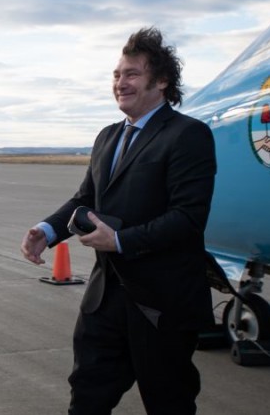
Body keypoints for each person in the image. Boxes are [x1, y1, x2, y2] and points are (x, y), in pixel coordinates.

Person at [20, 27, 216, 415]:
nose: (120, 83)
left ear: (161, 81)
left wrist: (121, 240)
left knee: (168, 403)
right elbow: (85, 201)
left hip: (161, 305)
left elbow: (188, 219)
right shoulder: (108, 136)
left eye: (132, 74)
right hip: (105, 298)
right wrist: (46, 231)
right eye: (116, 74)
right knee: (87, 398)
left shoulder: (187, 135)